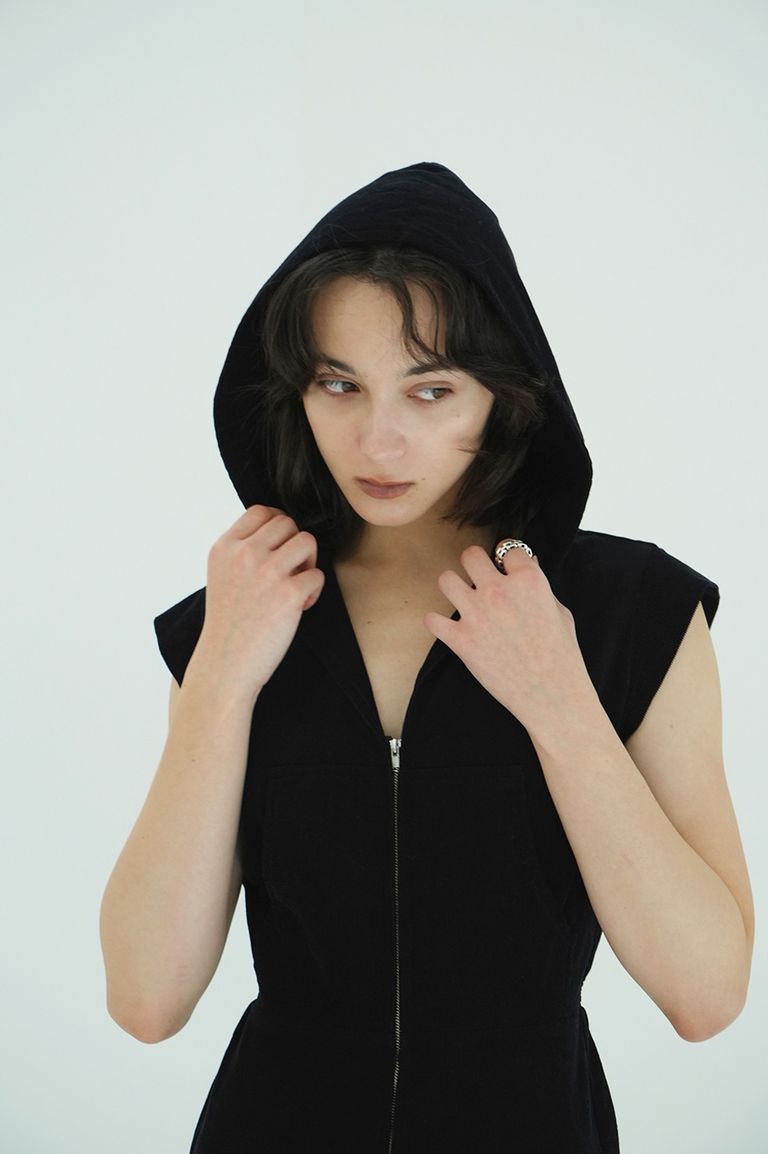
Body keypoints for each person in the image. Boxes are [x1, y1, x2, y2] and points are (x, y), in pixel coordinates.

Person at [99, 161, 754, 1153]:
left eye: (431, 389)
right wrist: (221, 677)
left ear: (506, 397)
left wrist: (558, 698)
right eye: (339, 384)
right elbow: (146, 999)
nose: (379, 442)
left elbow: (706, 995)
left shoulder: (634, 614)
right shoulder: (240, 619)